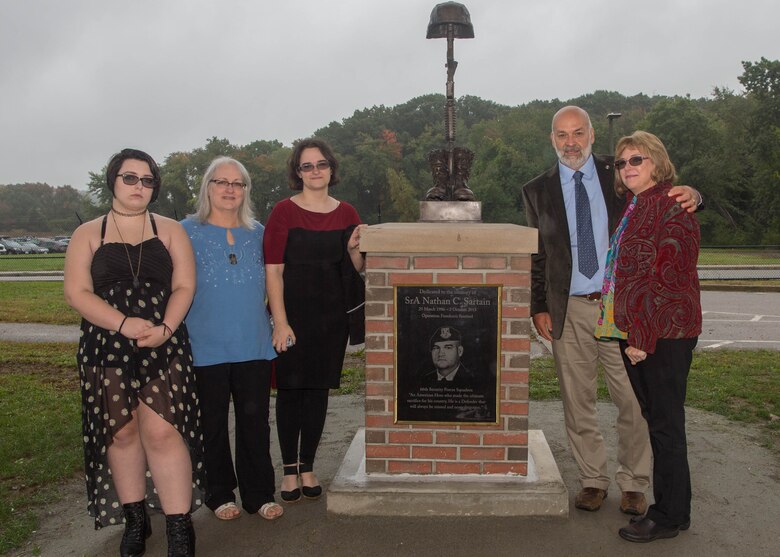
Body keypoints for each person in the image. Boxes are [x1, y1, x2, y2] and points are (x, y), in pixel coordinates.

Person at [522, 106, 700, 515]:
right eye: (562, 134)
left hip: (622, 308)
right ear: (552, 139)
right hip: (568, 310)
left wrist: (696, 195)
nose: (571, 141)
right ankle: (592, 480)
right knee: (576, 400)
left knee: (633, 401)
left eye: (578, 132)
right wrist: (538, 307)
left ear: (591, 136)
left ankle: (634, 482)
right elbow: (537, 256)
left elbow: (662, 193)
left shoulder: (619, 172)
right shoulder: (536, 190)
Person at [64, 148, 203, 557]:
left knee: (162, 430)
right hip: (106, 345)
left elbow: (184, 287)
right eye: (130, 178)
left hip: (164, 344)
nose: (139, 186)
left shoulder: (171, 230)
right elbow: (76, 292)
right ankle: (135, 520)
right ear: (112, 180)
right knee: (121, 432)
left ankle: (180, 529)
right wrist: (123, 323)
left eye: (147, 180)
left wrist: (165, 328)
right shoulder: (89, 233)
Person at [595, 131, 701, 542]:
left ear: (656, 161)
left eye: (636, 160)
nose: (628, 168)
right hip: (640, 330)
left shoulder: (672, 205)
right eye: (621, 163)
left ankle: (668, 516)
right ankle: (678, 509)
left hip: (662, 333)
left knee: (665, 426)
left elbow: (669, 281)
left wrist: (642, 337)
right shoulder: (638, 205)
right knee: (661, 422)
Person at [264, 138, 366, 503]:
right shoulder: (283, 213)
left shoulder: (347, 213)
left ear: (331, 168)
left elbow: (354, 270)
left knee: (318, 393)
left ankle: (307, 466)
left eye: (321, 164)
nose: (315, 171)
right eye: (307, 166)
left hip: (330, 319)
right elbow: (273, 272)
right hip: (292, 316)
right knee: (290, 392)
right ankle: (288, 471)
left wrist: (355, 251)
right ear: (297, 172)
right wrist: (280, 322)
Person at [181, 156, 283, 522]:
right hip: (202, 344)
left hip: (253, 343)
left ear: (245, 191)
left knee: (255, 421)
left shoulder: (258, 232)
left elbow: (276, 279)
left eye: (237, 183)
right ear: (207, 187)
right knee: (210, 423)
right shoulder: (185, 231)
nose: (229, 189)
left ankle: (258, 495)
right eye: (221, 182)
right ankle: (218, 492)